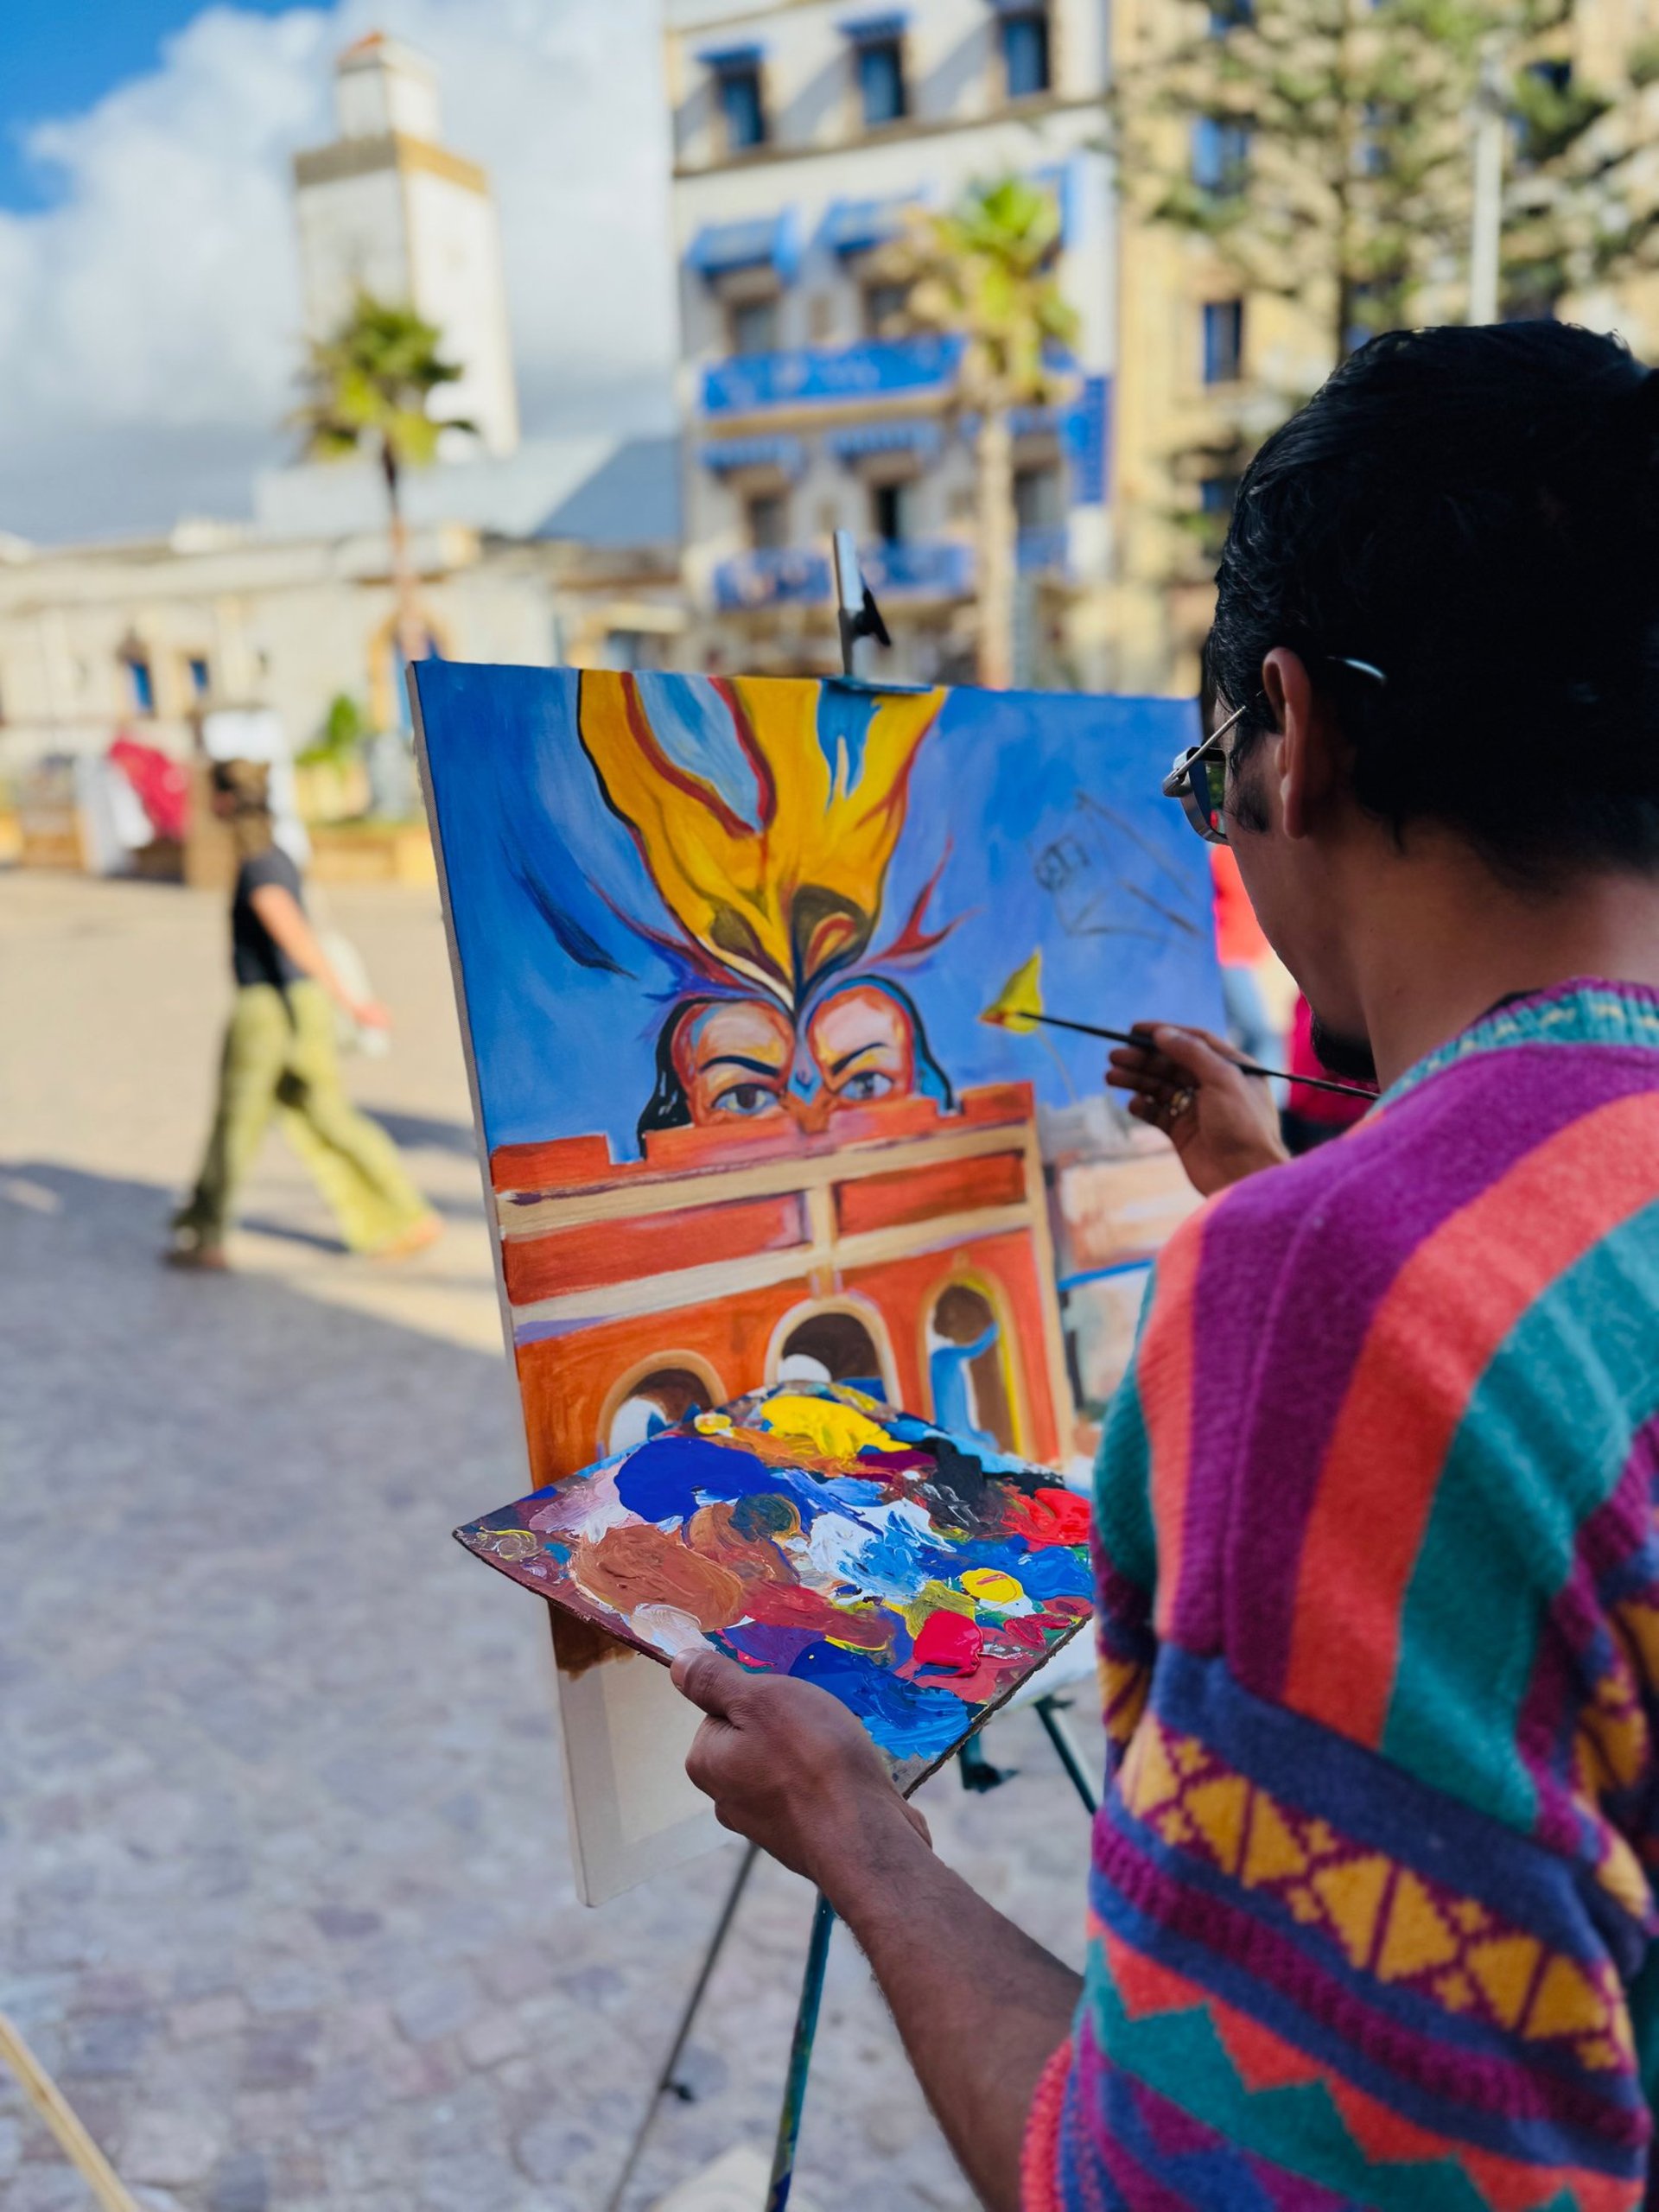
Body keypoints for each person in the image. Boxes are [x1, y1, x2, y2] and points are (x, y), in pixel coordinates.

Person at [668, 321, 1659, 2210]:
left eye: (1209, 767)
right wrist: (1270, 1171)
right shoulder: (1441, 1226)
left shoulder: (1336, 1290)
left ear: (1306, 734)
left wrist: (865, 1839)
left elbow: (1194, 2186)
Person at [168, 760, 440, 1270]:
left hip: (270, 1008)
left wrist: (353, 1001)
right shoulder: (278, 856)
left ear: (225, 803)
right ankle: (404, 1216)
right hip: (299, 1005)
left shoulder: (258, 865)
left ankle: (206, 1235)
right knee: (324, 1115)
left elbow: (290, 931)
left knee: (237, 1124)